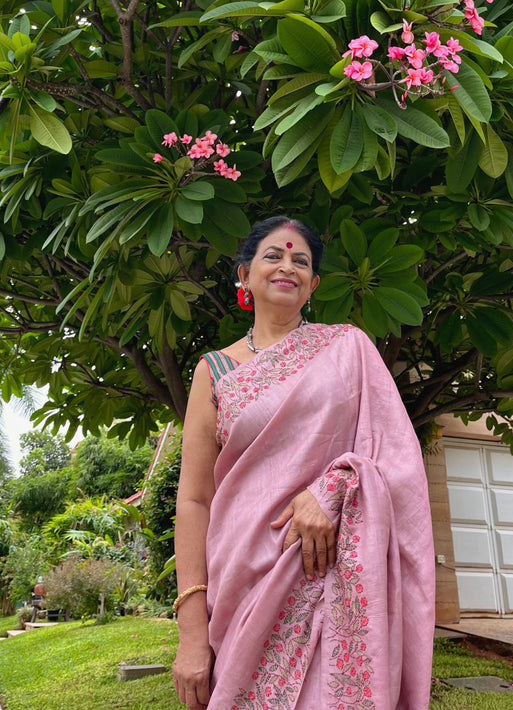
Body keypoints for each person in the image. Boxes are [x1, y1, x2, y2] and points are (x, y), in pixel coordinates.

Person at [172, 216, 435, 710]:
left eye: (300, 260)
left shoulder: (347, 348)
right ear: (245, 274)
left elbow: (396, 457)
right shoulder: (214, 371)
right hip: (241, 579)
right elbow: (193, 498)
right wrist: (191, 630)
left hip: (332, 564)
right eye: (273, 256)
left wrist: (336, 485)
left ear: (313, 284)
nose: (286, 266)